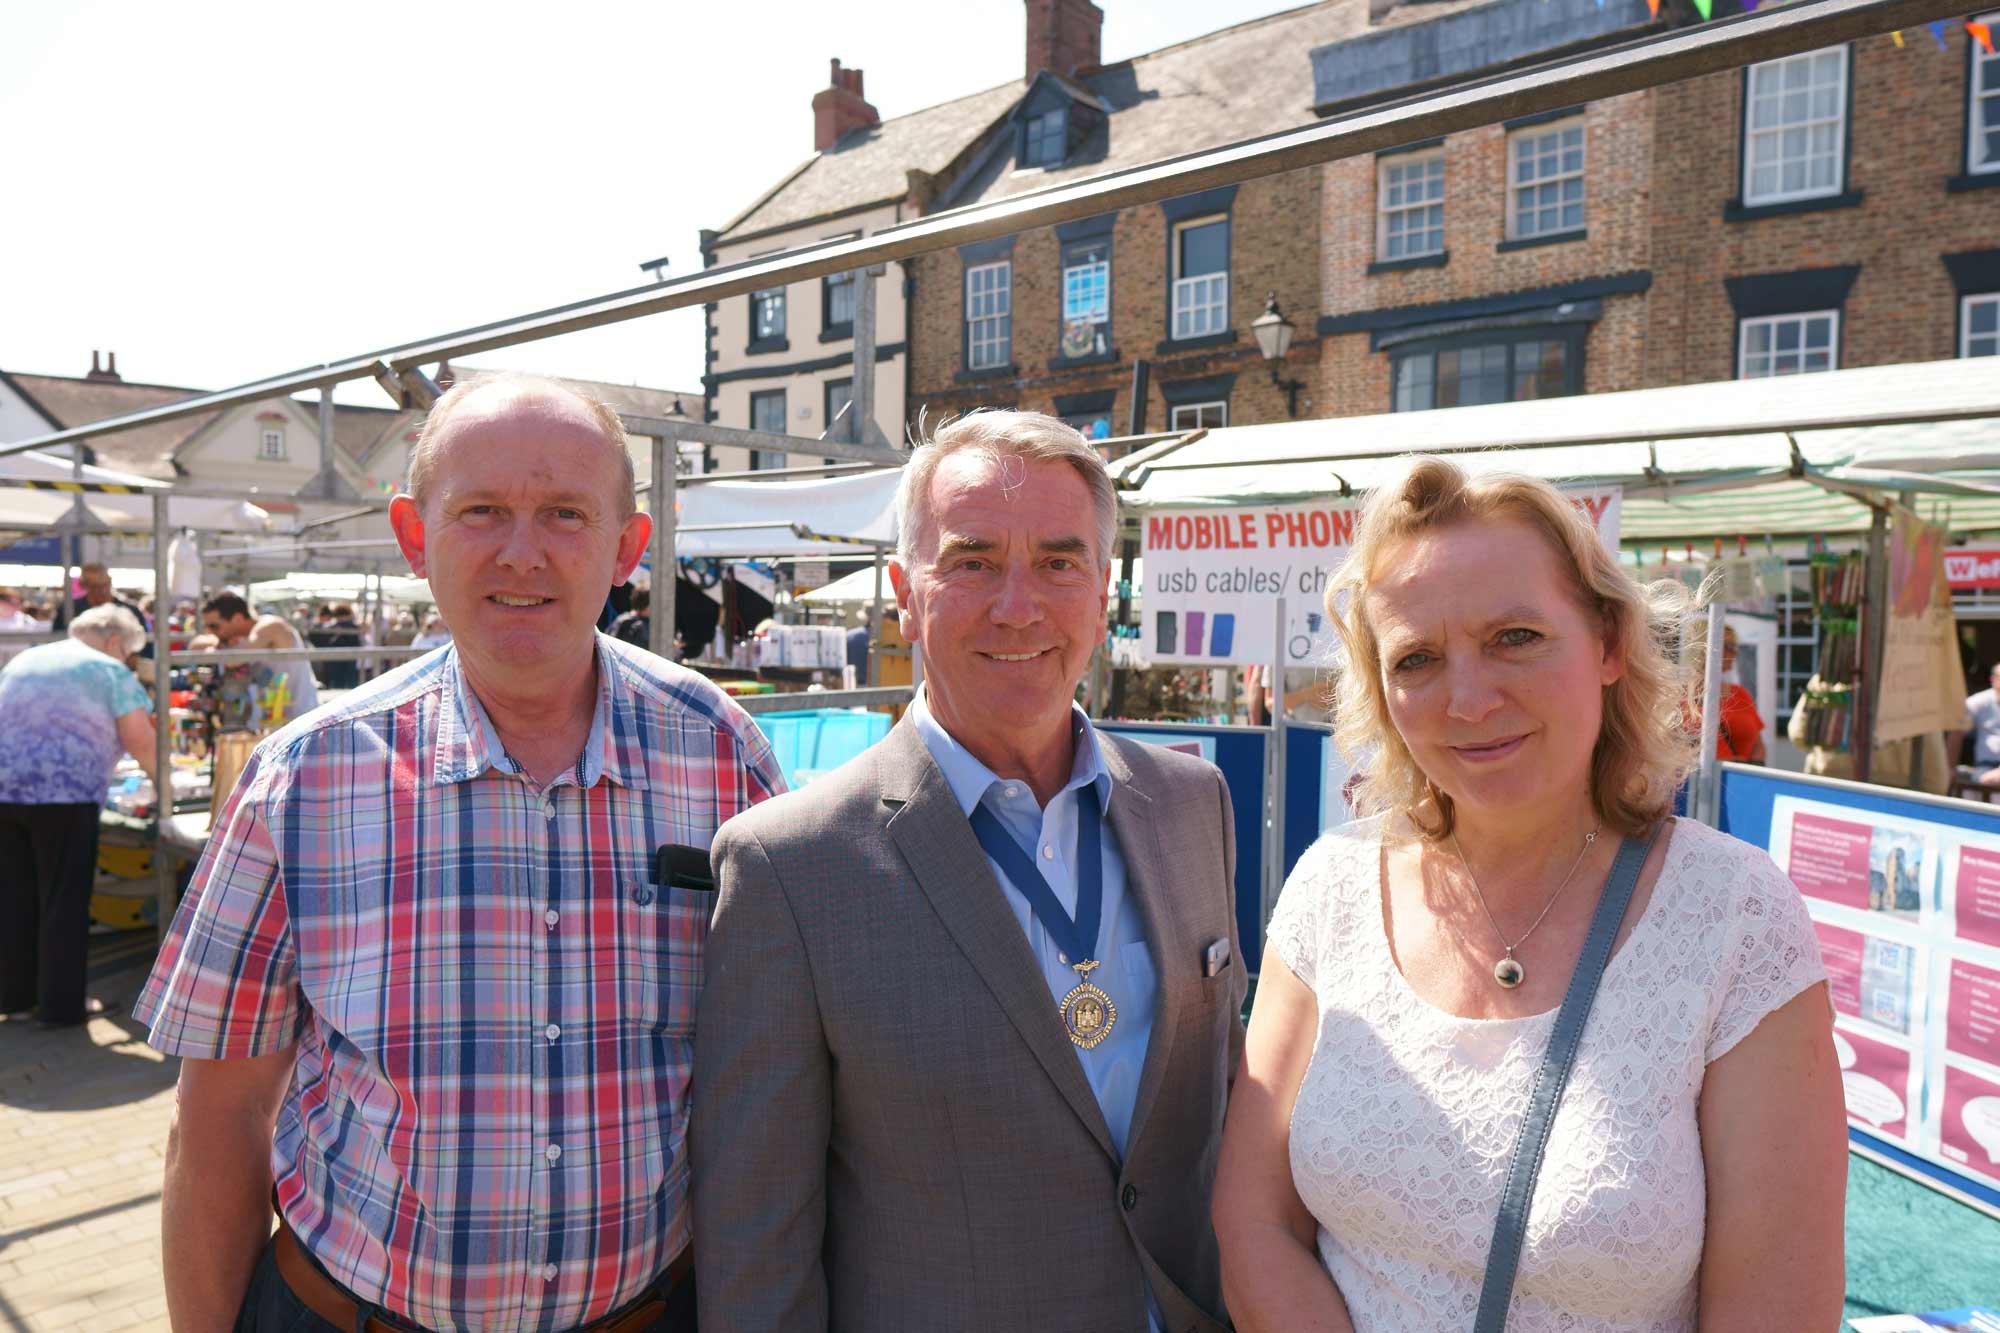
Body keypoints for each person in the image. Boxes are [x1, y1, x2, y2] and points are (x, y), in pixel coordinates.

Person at [134, 374, 784, 1333]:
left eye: (566, 513)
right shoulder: (304, 779)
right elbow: (218, 1122)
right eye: (482, 510)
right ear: (412, 536)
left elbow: (778, 1080)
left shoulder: (722, 753)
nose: (523, 552)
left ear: (627, 550)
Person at [1211, 458, 1846, 1330]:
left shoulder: (1735, 916)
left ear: (1611, 645)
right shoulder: (1330, 885)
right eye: (1418, 658)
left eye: (1516, 636)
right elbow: (1253, 1220)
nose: (1469, 700)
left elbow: (1776, 1309)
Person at [694, 410, 1246, 1332]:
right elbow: (760, 1245)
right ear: (906, 594)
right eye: (974, 561)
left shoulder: (1194, 805)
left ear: (1104, 591)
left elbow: (1221, 1113)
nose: (1018, 605)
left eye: (1059, 563)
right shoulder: (790, 866)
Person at [0, 604, 157, 1026]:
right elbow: (142, 740)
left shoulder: (28, 658)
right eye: (129, 652)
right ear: (114, 642)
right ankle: (61, 1006)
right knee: (63, 901)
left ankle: (14, 999)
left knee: (17, 896)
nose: (128, 661)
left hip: (5, 791)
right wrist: (165, 785)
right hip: (64, 795)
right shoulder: (109, 671)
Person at [201, 591, 321, 725]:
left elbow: (233, 660)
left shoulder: (271, 626)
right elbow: (196, 645)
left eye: (214, 626)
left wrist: (214, 650)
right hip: (273, 725)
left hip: (300, 723)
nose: (209, 631)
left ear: (237, 619)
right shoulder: (241, 639)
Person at [1711, 624, 1766, 763]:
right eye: (1729, 647)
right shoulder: (1685, 697)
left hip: (1740, 779)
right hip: (1705, 779)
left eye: (1735, 647)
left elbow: (1759, 745)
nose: (1735, 653)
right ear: (1707, 648)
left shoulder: (1740, 693)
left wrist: (1750, 768)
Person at [305, 602, 363, 690]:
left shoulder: (330, 627)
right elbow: (359, 643)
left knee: (337, 684)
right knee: (352, 684)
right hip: (350, 658)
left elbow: (320, 641)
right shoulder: (355, 627)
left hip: (335, 660)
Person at [1966, 664, 2000, 784]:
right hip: (1985, 765)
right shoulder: (1978, 702)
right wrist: (1950, 768)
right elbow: (1957, 732)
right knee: (1986, 779)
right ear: (1993, 679)